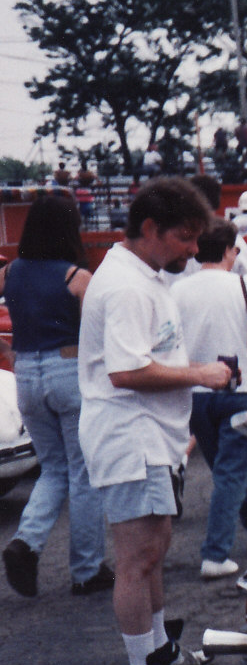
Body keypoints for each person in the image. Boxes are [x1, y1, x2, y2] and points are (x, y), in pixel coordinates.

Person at [79, 178, 233, 665]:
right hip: (129, 437)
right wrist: (202, 374)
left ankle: (159, 653)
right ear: (150, 229)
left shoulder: (146, 277)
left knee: (155, 552)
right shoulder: (125, 285)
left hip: (152, 437)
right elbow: (126, 372)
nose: (193, 250)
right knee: (138, 558)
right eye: (186, 238)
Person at [0, 196, 109, 599]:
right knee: (83, 472)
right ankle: (86, 568)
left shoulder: (10, 272)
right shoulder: (77, 277)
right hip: (69, 370)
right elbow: (102, 332)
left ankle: (26, 542)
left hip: (26, 371)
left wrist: (9, 350)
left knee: (52, 468)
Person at [170, 221, 247, 580]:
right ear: (229, 251)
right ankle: (215, 553)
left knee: (231, 469)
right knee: (232, 471)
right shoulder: (244, 286)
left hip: (194, 395)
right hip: (238, 394)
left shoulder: (177, 291)